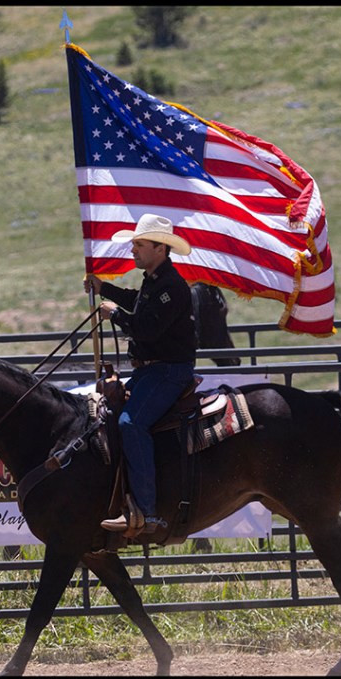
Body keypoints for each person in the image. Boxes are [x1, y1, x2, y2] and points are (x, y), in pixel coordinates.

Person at [83, 214, 197, 537]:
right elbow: (139, 302)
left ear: (160, 248)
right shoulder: (156, 281)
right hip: (153, 370)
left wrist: (115, 315)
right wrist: (104, 288)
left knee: (130, 424)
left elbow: (147, 328)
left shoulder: (171, 286)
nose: (133, 250)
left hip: (169, 371)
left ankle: (146, 512)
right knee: (108, 411)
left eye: (140, 244)